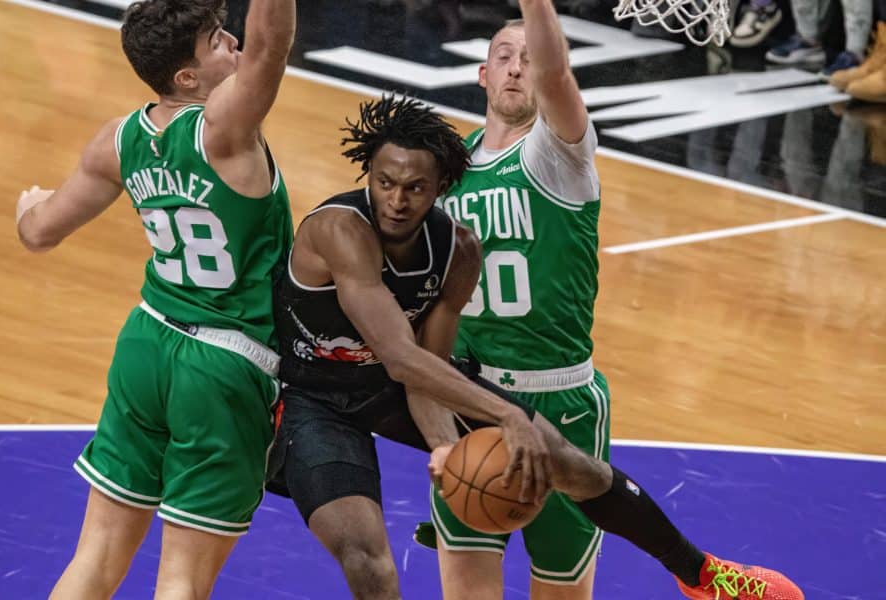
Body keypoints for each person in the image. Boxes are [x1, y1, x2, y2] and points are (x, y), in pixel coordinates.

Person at [265, 94, 803, 600]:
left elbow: (427, 366)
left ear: (441, 188)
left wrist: (444, 445)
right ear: (369, 176)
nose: (397, 201)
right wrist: (506, 415)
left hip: (390, 385)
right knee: (369, 560)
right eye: (385, 183)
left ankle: (701, 575)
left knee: (573, 465)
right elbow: (401, 354)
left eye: (415, 188)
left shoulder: (458, 247)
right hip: (318, 399)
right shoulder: (340, 229)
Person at [415, 3, 806, 600]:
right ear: (482, 76)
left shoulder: (558, 155)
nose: (518, 68)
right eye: (503, 57)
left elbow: (555, 79)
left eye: (528, 56)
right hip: (475, 396)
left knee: (562, 588)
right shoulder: (450, 172)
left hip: (560, 398)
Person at [14, 1, 295, 598]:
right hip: (224, 363)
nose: (235, 44)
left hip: (146, 343)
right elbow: (272, 45)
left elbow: (38, 232)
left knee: (93, 557)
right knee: (182, 578)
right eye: (219, 40)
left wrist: (24, 208)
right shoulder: (224, 128)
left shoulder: (119, 141)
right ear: (187, 78)